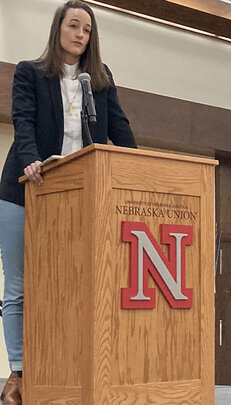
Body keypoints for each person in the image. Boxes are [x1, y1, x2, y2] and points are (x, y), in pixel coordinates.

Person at [0, 1, 137, 403]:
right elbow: (22, 121)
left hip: (78, 195)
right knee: (19, 288)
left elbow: (120, 128)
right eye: (73, 25)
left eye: (87, 30)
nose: (80, 34)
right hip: (25, 189)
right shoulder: (30, 72)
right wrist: (30, 161)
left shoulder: (100, 79)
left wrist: (138, 166)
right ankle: (19, 373)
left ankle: (64, 367)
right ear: (58, 29)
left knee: (69, 285)